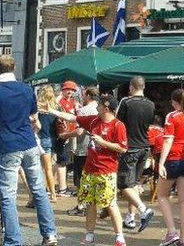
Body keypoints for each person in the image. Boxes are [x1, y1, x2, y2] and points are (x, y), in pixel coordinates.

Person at [0, 55, 59, 246]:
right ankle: (50, 234)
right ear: (14, 69)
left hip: (8, 146)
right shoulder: (26, 89)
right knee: (39, 190)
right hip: (29, 144)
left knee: (8, 195)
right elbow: (33, 117)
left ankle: (13, 240)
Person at [44, 94, 128, 246]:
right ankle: (89, 234)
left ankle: (119, 236)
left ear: (106, 108)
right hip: (89, 171)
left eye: (99, 105)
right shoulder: (94, 120)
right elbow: (72, 118)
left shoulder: (118, 125)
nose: (96, 107)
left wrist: (104, 142)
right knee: (90, 203)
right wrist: (51, 110)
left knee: (110, 204)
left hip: (107, 172)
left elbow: (122, 148)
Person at [157, 89, 184, 246]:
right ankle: (183, 238)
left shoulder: (171, 116)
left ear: (174, 102)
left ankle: (171, 232)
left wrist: (161, 163)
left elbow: (168, 141)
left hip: (173, 159)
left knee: (162, 195)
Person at [116, 76, 155, 232]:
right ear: (143, 87)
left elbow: (118, 124)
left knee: (124, 185)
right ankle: (130, 218)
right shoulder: (151, 104)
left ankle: (143, 209)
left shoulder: (126, 102)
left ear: (131, 87)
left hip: (129, 147)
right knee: (132, 184)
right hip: (144, 147)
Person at [67, 86, 100, 216]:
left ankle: (81, 206)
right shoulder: (100, 109)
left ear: (87, 95)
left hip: (83, 148)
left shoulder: (84, 110)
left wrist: (66, 135)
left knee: (80, 179)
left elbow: (79, 130)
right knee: (93, 179)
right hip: (96, 149)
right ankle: (93, 205)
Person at [36, 85, 60, 203]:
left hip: (40, 138)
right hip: (52, 139)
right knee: (49, 169)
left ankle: (47, 194)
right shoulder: (56, 108)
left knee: (40, 169)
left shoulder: (38, 108)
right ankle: (53, 194)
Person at [56, 80, 79, 197]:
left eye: (72, 90)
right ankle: (62, 189)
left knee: (66, 160)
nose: (70, 91)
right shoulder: (59, 102)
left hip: (72, 134)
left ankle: (60, 185)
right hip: (63, 136)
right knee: (62, 162)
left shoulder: (73, 102)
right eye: (68, 89)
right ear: (63, 90)